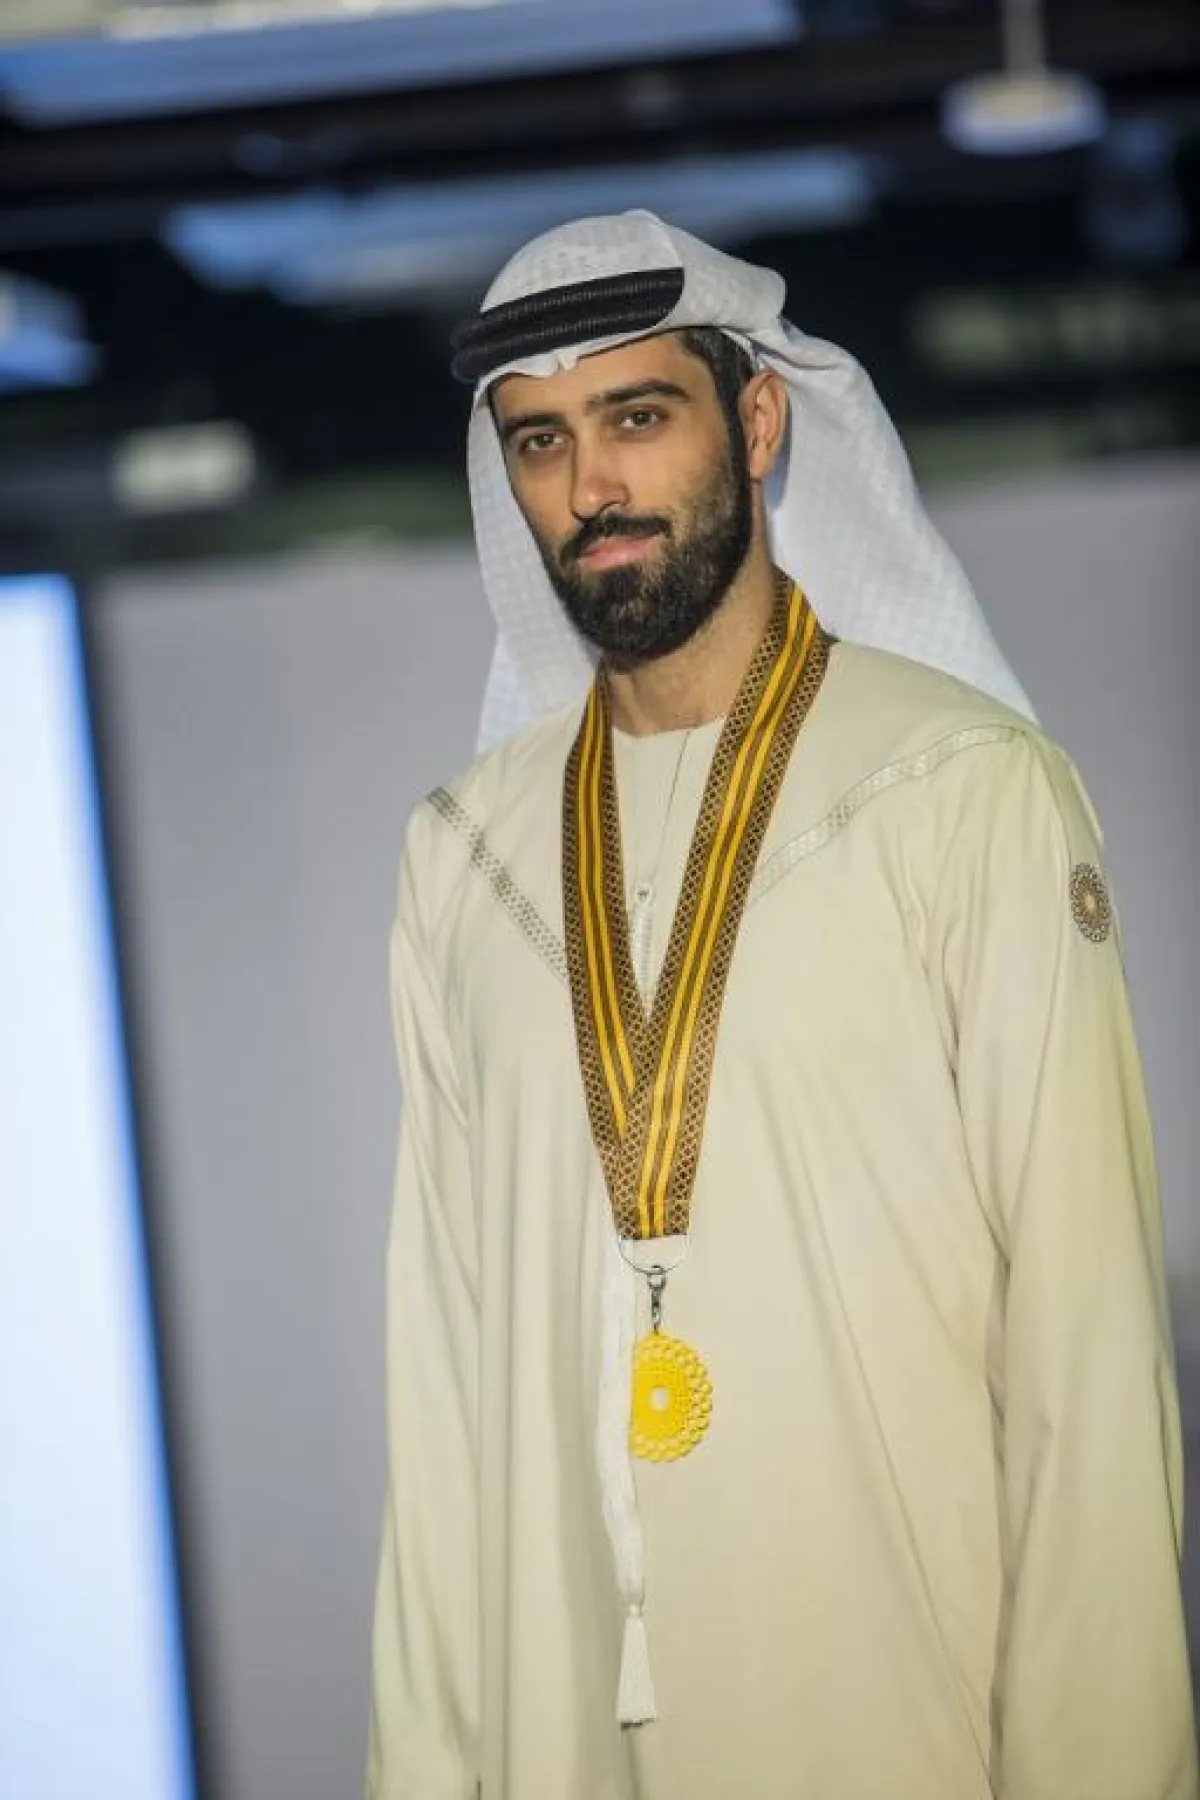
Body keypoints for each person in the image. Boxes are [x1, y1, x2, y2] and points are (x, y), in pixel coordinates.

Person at [366, 211, 1197, 1800]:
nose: (590, 487)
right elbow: (441, 1401)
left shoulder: (967, 792)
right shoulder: (462, 856)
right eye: (539, 440)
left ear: (756, 422)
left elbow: (1087, 1376)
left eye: (637, 415)